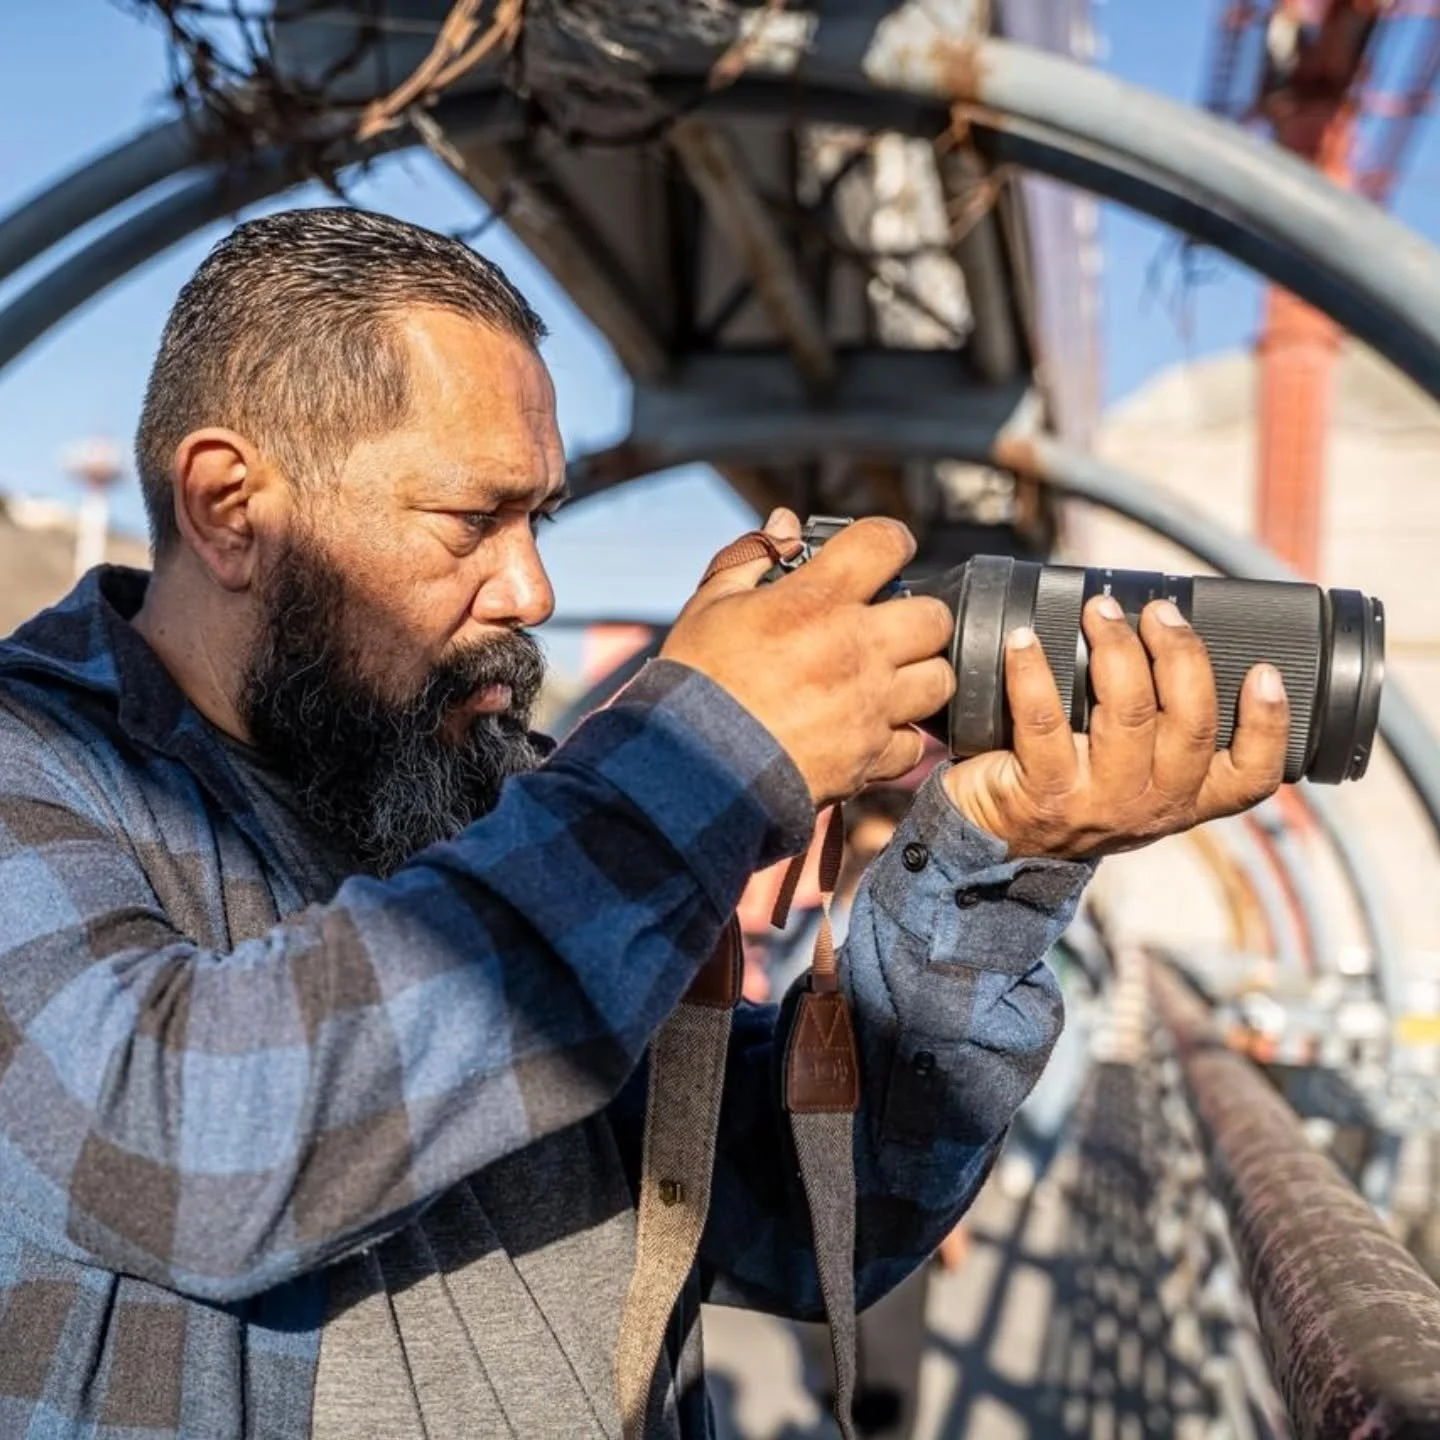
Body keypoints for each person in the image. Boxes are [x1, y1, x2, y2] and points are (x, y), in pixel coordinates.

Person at [0, 207, 1292, 1440]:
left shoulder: (458, 791)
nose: (531, 586)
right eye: (473, 519)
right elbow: (185, 1150)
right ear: (230, 507)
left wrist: (995, 861)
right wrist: (704, 755)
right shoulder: (38, 767)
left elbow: (814, 1222)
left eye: (539, 519)